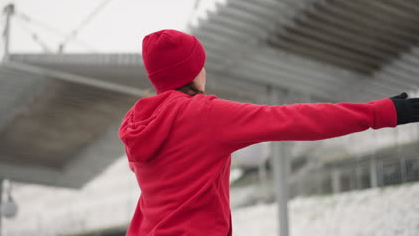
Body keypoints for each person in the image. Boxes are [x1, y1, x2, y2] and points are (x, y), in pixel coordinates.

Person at [118, 29, 419, 236]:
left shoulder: (136, 124)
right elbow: (295, 119)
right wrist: (382, 112)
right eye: (201, 64)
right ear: (191, 71)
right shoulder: (204, 114)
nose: (204, 71)